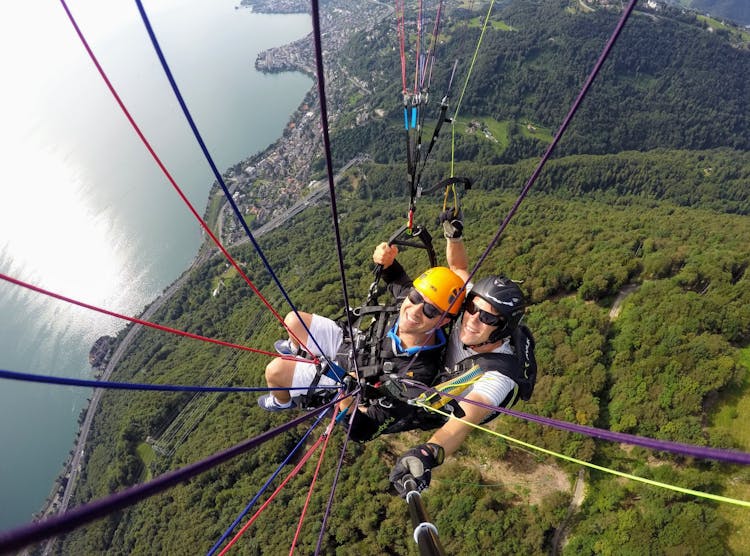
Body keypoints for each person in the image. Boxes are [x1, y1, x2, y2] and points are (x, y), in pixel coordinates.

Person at [386, 210, 537, 495]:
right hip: (442, 365)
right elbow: (459, 271)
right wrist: (453, 237)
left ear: (503, 329)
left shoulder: (498, 376)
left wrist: (428, 453)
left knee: (384, 408)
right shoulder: (472, 312)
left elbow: (464, 419)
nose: (472, 319)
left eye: (488, 318)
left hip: (449, 397)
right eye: (471, 308)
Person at [259, 247, 466, 442]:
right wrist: (386, 259)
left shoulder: (419, 373)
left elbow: (365, 431)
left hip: (349, 384)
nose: (414, 310)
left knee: (276, 371)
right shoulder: (408, 300)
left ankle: (282, 401)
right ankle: (299, 352)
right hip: (355, 346)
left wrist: (348, 403)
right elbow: (395, 276)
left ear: (444, 321)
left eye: (430, 310)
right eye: (415, 297)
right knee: (294, 320)